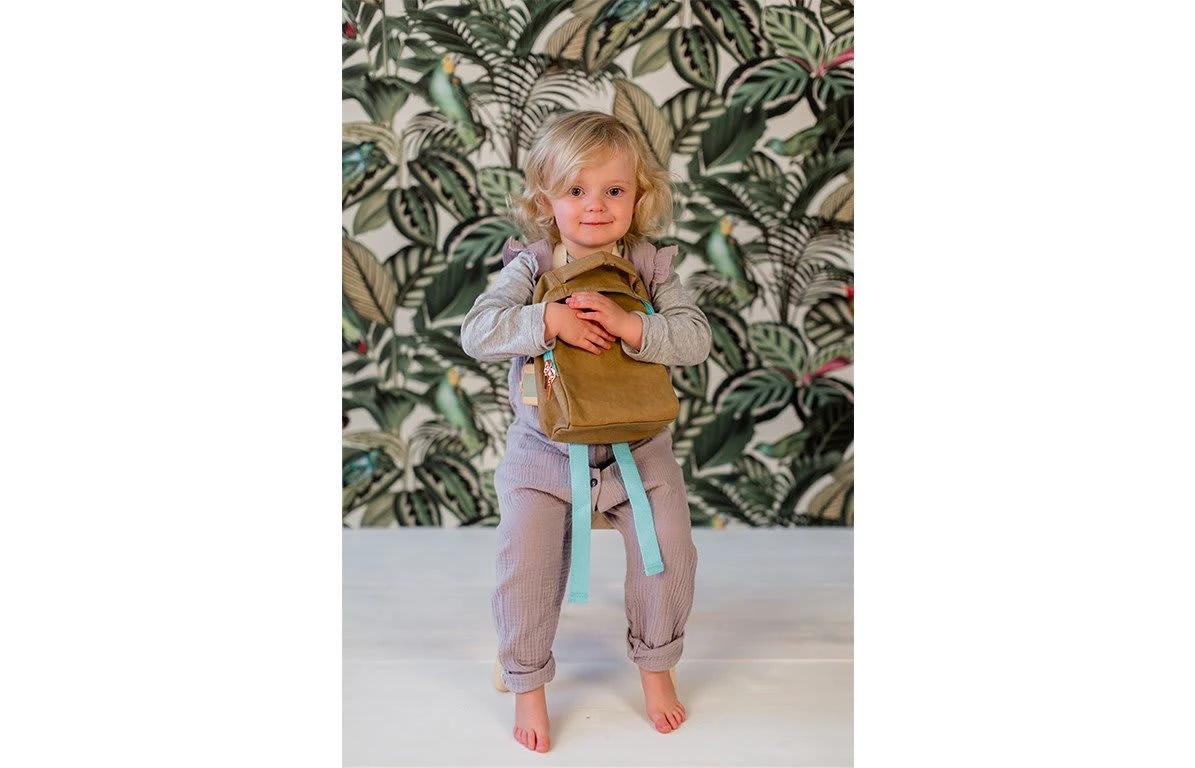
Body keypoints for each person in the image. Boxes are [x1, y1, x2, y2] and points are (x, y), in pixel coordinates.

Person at [460, 110, 711, 753]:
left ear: (639, 196)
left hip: (638, 450)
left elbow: (694, 339)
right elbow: (478, 331)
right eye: (576, 190)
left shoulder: (649, 266)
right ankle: (527, 681)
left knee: (670, 549)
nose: (595, 206)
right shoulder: (532, 266)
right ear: (546, 200)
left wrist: (631, 327)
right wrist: (548, 320)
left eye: (613, 190)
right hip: (545, 452)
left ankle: (657, 666)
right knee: (525, 559)